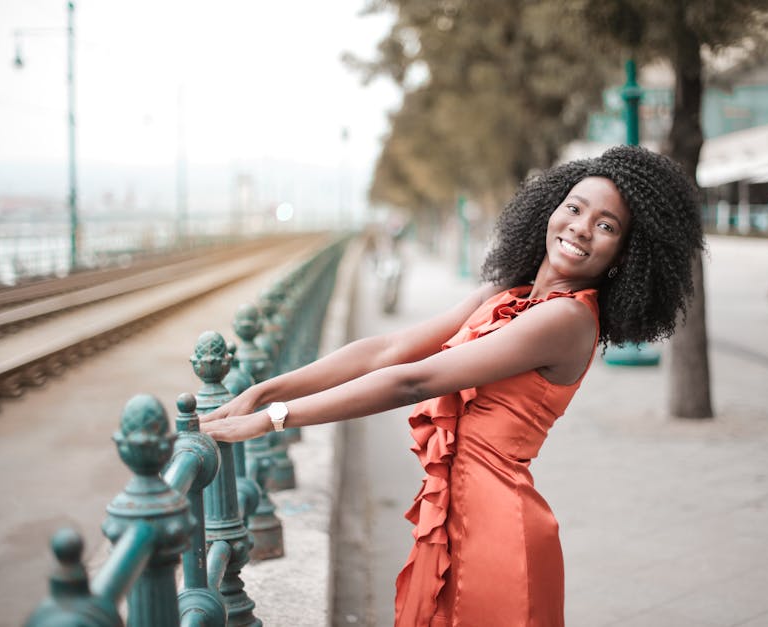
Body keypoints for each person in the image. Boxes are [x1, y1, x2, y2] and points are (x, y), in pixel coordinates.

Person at [201, 145, 704, 627]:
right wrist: (268, 390)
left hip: (499, 534)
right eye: (575, 207)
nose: (581, 228)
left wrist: (273, 421)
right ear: (552, 207)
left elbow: (411, 381)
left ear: (624, 255)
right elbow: (389, 349)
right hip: (455, 517)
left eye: (606, 226)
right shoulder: (507, 292)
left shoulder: (567, 320)